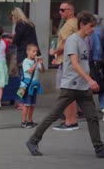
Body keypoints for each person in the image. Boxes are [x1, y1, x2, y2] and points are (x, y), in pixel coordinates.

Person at [26, 11, 104, 158]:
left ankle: (99, 148)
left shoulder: (84, 41)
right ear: (82, 25)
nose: (93, 29)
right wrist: (90, 80)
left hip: (83, 87)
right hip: (71, 86)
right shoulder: (73, 40)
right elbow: (74, 64)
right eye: (91, 26)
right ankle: (32, 140)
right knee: (54, 114)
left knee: (92, 117)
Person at [49, 1, 79, 131]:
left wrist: (54, 52)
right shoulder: (76, 23)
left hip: (66, 62)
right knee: (71, 94)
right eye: (60, 10)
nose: (60, 12)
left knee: (66, 93)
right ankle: (72, 120)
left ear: (70, 11)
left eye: (63, 10)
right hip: (71, 61)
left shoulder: (69, 25)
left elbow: (66, 42)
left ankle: (69, 121)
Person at [10, 7, 40, 110]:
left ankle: (21, 102)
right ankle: (26, 100)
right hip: (33, 54)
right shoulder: (29, 24)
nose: (12, 18)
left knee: (23, 80)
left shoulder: (19, 25)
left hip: (24, 54)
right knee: (29, 79)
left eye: (12, 16)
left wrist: (12, 39)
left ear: (15, 16)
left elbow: (16, 40)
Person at [20, 44, 44, 128]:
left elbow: (42, 71)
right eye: (33, 51)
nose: (35, 53)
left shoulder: (36, 62)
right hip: (27, 85)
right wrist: (36, 63)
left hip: (34, 85)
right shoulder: (26, 61)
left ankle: (30, 121)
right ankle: (23, 121)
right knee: (26, 104)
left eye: (36, 51)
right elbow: (29, 71)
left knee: (32, 105)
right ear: (28, 52)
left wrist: (41, 63)